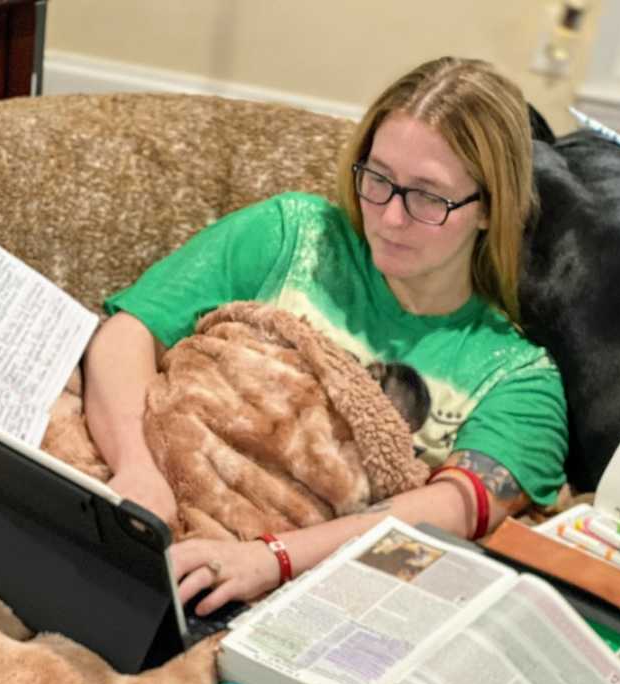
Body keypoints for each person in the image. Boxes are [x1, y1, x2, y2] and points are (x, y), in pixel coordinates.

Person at [82, 56, 567, 615]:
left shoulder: (516, 377)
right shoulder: (292, 234)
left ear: (489, 208)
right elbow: (129, 331)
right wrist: (136, 469)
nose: (388, 217)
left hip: (290, 596)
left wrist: (271, 559)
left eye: (428, 197)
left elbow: (449, 514)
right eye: (378, 179)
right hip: (150, 516)